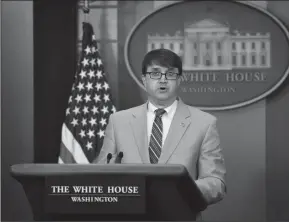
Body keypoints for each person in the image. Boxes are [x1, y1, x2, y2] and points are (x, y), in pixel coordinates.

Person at [94, 48, 226, 206]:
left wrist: (182, 191)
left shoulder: (204, 123)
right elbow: (99, 174)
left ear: (179, 80)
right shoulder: (118, 121)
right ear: (144, 80)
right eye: (155, 73)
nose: (163, 80)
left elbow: (216, 183)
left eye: (170, 74)